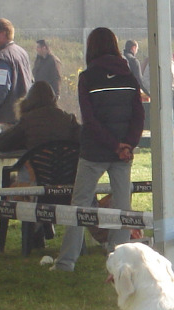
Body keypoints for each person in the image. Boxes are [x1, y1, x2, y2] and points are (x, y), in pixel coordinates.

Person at [52, 27, 144, 272]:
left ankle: (66, 262)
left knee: (79, 206)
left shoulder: (88, 77)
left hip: (94, 152)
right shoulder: (128, 76)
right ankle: (120, 259)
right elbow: (138, 115)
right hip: (123, 153)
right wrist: (127, 145)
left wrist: (113, 145)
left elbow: (90, 119)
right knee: (123, 207)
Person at [0, 80, 82, 155]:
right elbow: (84, 140)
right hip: (65, 170)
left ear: (27, 102)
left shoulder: (27, 121)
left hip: (36, 170)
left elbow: (0, 144)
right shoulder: (69, 120)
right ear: (54, 100)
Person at [0, 18, 32, 125]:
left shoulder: (2, 57)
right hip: (22, 115)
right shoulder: (21, 52)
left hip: (5, 119)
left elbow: (1, 87)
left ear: (3, 34)